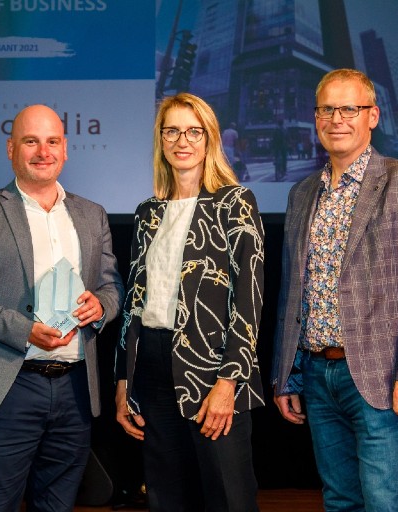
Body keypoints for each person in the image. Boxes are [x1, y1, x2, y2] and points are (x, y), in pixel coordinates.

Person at [271, 68, 398, 511]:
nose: (337, 119)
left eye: (349, 108)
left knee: (384, 503)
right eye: (327, 109)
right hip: (316, 376)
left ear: (372, 116)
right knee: (339, 501)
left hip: (380, 375)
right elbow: (293, 293)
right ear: (316, 118)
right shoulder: (301, 194)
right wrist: (285, 374)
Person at [0, 104, 124, 512]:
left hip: (76, 388)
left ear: (66, 149)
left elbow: (112, 287)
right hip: (10, 385)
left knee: (58, 505)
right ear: (11, 149)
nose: (43, 151)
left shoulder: (91, 214)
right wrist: (23, 329)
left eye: (53, 141)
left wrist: (102, 306)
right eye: (31, 141)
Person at [115, 92, 265, 512]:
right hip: (151, 371)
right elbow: (133, 304)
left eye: (193, 131)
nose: (183, 140)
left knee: (227, 498)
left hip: (212, 372)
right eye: (172, 131)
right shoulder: (147, 212)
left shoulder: (235, 203)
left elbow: (249, 302)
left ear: (209, 139)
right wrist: (124, 382)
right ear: (161, 140)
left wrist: (229, 382)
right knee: (166, 497)